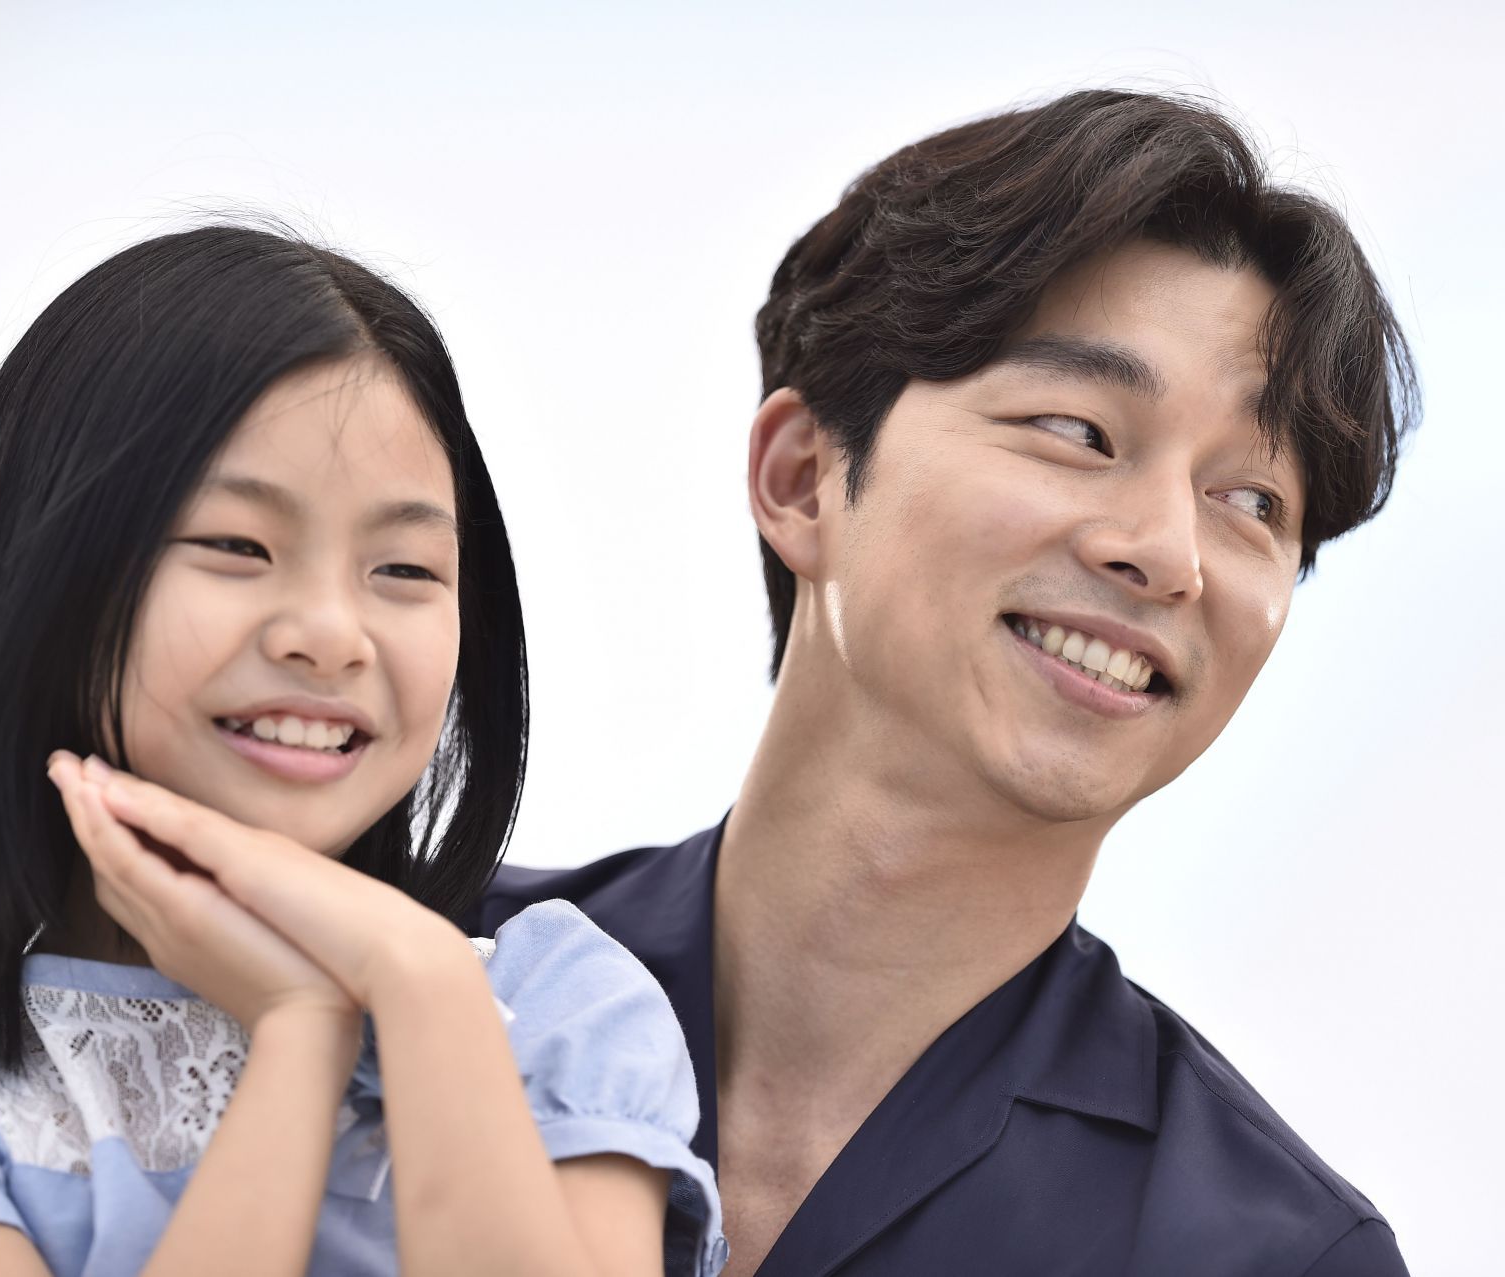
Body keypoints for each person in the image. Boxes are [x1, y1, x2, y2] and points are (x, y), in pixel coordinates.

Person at [482, 89, 1415, 1276]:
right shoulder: (387, 968)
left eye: (1252, 502)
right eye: (1079, 431)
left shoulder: (1267, 1253)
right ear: (804, 476)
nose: (1168, 553)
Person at [0, 225, 724, 1277]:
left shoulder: (562, 1009)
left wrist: (424, 982)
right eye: (237, 546)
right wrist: (301, 1033)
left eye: (403, 567)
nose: (331, 632)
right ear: (41, 584)